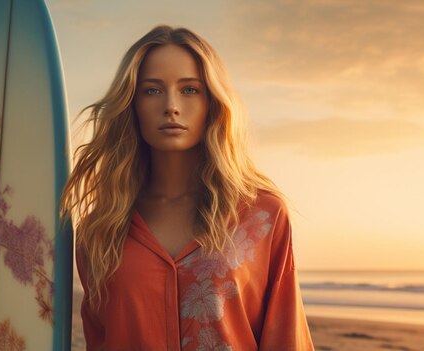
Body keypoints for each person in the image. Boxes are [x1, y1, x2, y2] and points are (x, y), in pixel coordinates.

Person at [60, 25, 315, 351]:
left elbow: (286, 337)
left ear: (213, 102)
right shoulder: (101, 229)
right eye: (152, 90)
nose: (171, 106)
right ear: (131, 105)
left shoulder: (262, 215)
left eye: (190, 89)